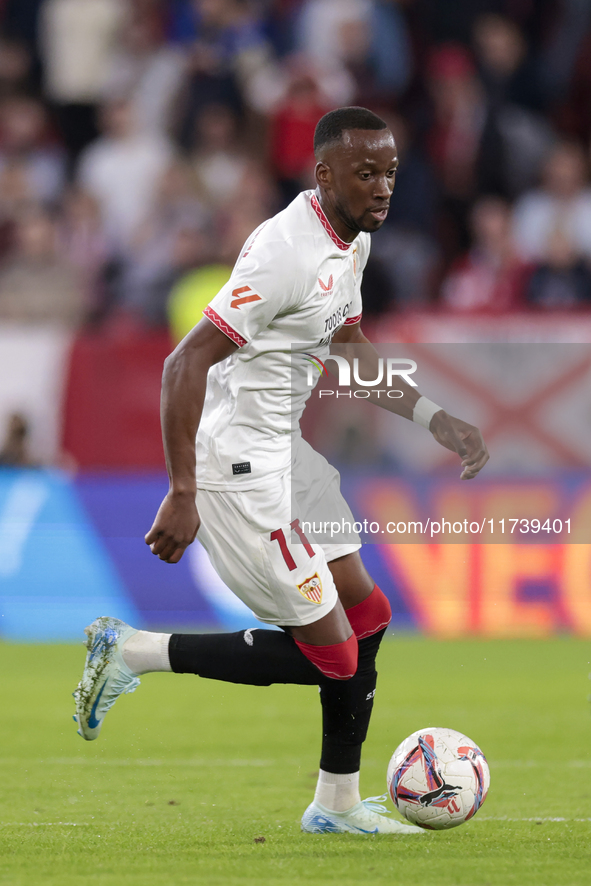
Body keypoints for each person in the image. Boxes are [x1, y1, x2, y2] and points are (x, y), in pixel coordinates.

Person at [73, 107, 489, 835]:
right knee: (330, 654)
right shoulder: (283, 252)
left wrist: (434, 419)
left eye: (390, 171)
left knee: (369, 619)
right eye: (366, 173)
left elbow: (351, 346)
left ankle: (334, 803)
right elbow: (184, 361)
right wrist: (182, 491)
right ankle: (134, 651)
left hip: (285, 451)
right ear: (323, 173)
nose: (383, 186)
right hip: (239, 466)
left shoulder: (349, 239)